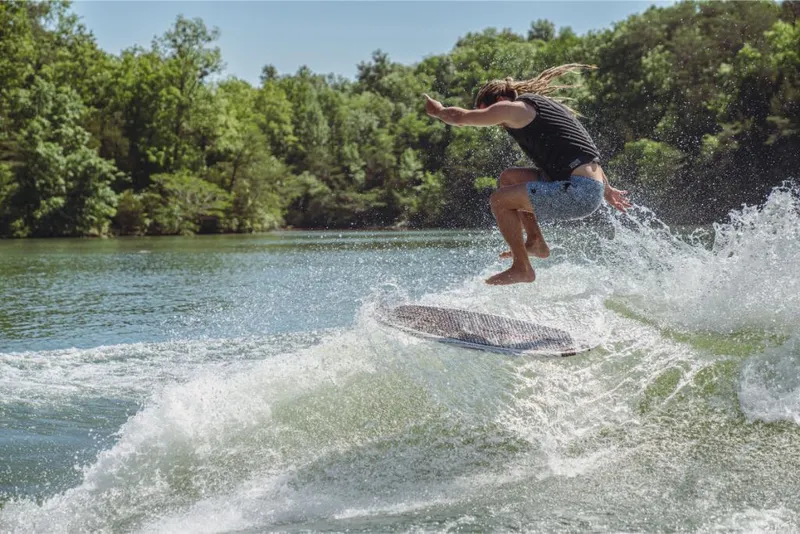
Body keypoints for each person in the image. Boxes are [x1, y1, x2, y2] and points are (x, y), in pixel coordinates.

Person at [423, 63, 631, 286]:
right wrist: (606, 189)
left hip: (578, 192)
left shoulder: (512, 108)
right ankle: (535, 242)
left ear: (498, 102)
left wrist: (438, 111)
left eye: (490, 113)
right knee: (509, 179)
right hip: (586, 186)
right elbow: (581, 150)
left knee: (499, 201)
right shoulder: (540, 107)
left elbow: (461, 117)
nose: (497, 122)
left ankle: (522, 268)